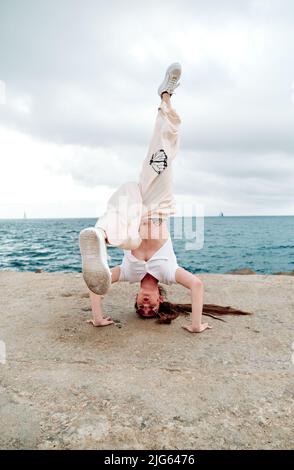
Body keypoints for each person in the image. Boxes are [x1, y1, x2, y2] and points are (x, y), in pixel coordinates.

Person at [79, 63, 212, 333]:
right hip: (156, 202)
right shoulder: (168, 272)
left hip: (131, 208)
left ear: (136, 298)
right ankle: (165, 97)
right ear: (161, 299)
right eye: (152, 309)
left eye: (141, 308)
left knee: (122, 223)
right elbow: (197, 285)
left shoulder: (129, 273)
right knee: (163, 150)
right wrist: (196, 325)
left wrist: (97, 317)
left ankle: (101, 236)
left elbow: (96, 284)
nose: (147, 306)